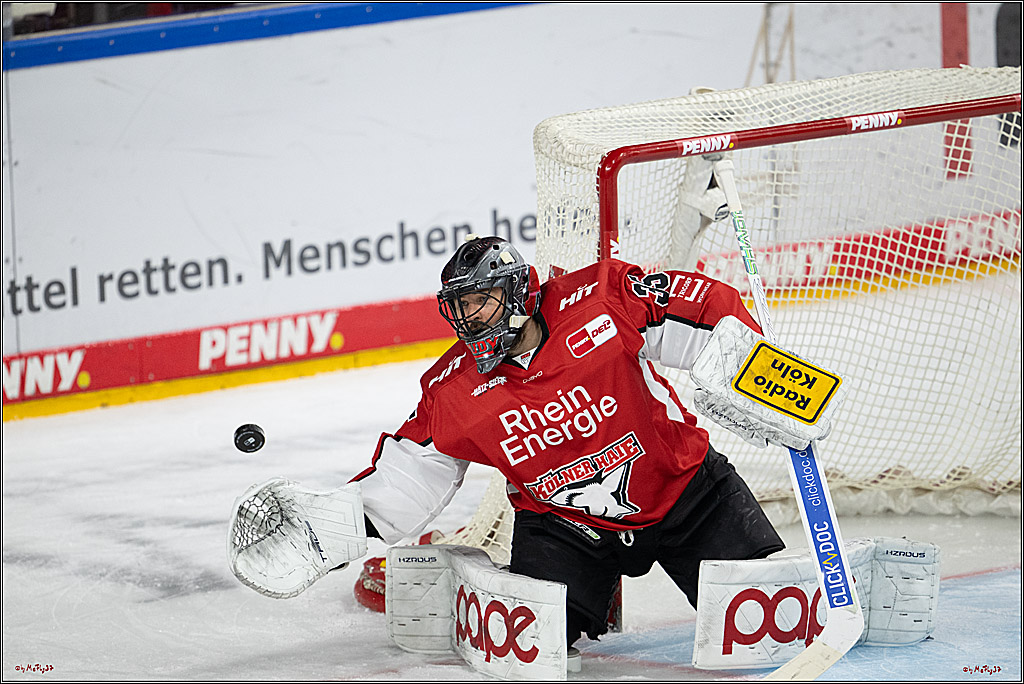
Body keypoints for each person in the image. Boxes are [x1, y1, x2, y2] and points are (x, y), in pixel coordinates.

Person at [350, 235, 785, 647]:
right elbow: (408, 475)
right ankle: (491, 592)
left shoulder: (602, 300)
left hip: (686, 492)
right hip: (565, 526)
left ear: (518, 292)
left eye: (482, 299)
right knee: (533, 644)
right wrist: (332, 528)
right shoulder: (453, 390)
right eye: (461, 305)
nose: (471, 316)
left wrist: (764, 375)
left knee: (762, 626)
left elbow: (704, 305)